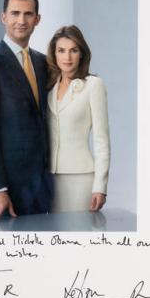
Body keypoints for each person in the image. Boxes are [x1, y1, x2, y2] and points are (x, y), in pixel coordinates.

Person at [0, 0, 53, 222]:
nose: (21, 20)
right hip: (10, 189)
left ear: (37, 19)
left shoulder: (43, 62)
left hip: (44, 186)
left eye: (28, 14)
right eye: (15, 13)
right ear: (3, 17)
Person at [46, 25, 110, 213]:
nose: (67, 57)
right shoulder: (49, 87)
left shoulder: (93, 85)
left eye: (74, 50)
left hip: (80, 178)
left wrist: (100, 186)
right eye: (61, 51)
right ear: (54, 54)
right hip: (49, 178)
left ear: (81, 54)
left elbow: (102, 141)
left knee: (78, 236)